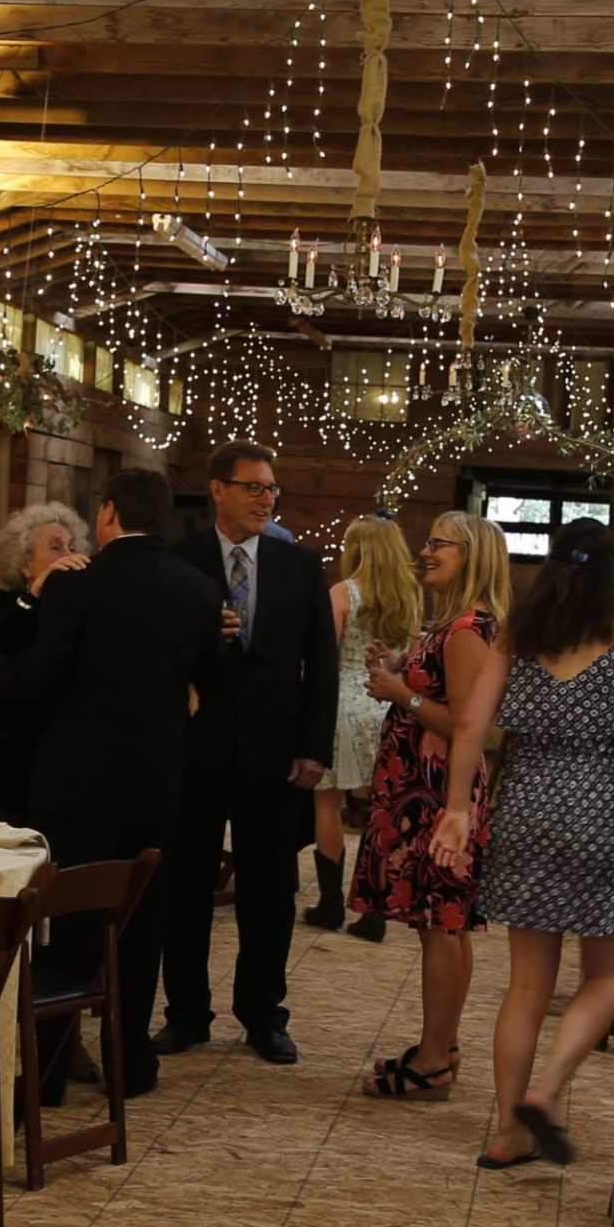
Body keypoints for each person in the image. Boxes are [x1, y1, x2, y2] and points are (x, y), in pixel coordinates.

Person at [430, 515, 614, 1172]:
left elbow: (470, 725)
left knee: (525, 986)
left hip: (525, 810)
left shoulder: (519, 635)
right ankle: (544, 1090)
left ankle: (510, 1132)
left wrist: (457, 808)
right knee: (609, 976)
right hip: (597, 813)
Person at [4, 466, 219, 1100]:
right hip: (155, 778)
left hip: (74, 781)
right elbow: (206, 685)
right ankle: (131, 1064)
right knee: (141, 920)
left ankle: (45, 1074)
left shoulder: (77, 588)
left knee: (65, 923)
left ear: (107, 514)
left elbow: (36, 682)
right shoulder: (199, 592)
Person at [157, 443, 336, 1067]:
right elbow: (161, 665)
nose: (266, 499)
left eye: (271, 489)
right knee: (186, 887)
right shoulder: (180, 564)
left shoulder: (299, 566)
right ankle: (185, 1013)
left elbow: (324, 666)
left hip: (275, 755)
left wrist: (316, 749)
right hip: (196, 752)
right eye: (253, 488)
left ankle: (263, 1015)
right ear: (218, 490)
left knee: (269, 890)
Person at [352, 512, 511, 1101]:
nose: (425, 551)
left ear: (471, 556)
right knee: (445, 925)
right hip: (426, 788)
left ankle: (433, 1058)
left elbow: (472, 724)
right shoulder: (453, 623)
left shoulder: (469, 628)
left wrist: (403, 695)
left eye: (438, 543)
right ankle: (438, 1049)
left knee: (441, 927)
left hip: (438, 794)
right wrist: (400, 670)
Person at [313, 517, 422, 937]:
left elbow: (325, 655)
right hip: (387, 705)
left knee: (327, 803)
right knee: (383, 809)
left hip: (342, 705)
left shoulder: (342, 593)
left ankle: (330, 903)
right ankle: (374, 911)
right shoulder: (409, 596)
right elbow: (411, 660)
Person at [0, 499, 85, 828]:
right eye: (56, 547)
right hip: (8, 763)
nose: (67, 555)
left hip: (60, 766)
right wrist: (35, 594)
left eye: (72, 547)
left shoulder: (78, 611)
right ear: (25, 563)